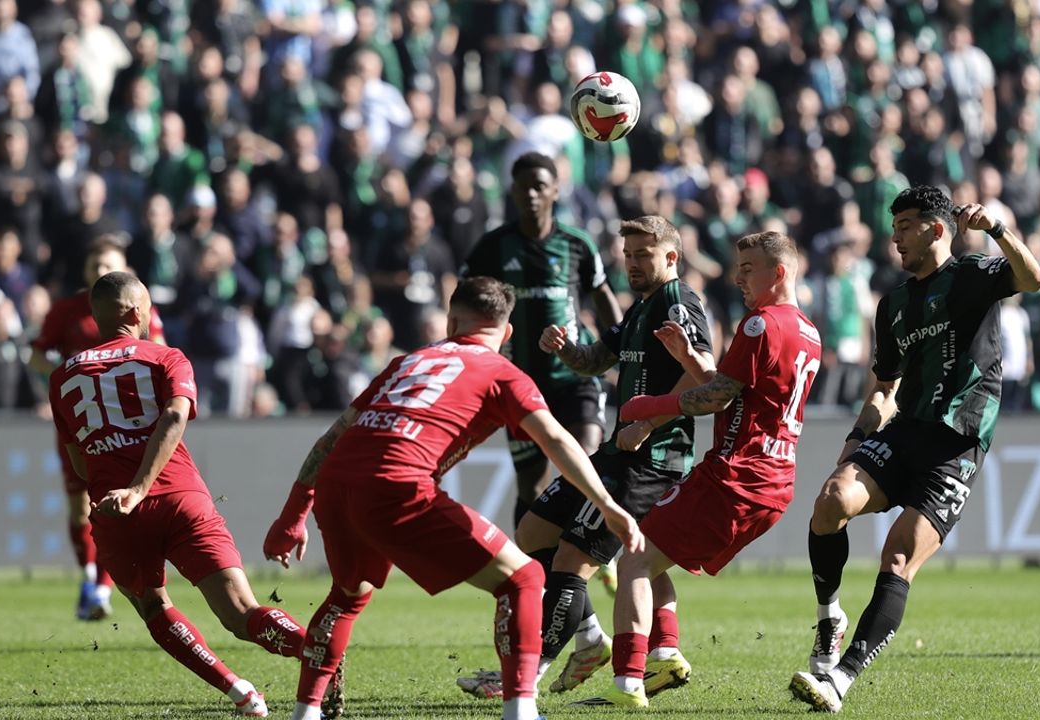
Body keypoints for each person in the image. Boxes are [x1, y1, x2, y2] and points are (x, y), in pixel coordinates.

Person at [261, 277, 644, 720]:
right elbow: (556, 440)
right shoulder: (503, 372)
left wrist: (292, 516)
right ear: (507, 332)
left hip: (336, 484)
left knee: (346, 597)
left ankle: (306, 713)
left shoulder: (407, 362)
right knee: (523, 579)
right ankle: (521, 711)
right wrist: (607, 506)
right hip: (397, 484)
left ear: (451, 322)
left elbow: (332, 439)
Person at [790, 186, 1040, 713]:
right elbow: (884, 388)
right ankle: (829, 618)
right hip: (905, 431)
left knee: (899, 556)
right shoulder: (893, 304)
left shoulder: (973, 273)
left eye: (905, 226)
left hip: (957, 442)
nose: (895, 237)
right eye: (894, 227)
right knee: (830, 503)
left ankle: (840, 680)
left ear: (937, 228)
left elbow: (1033, 279)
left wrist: (997, 230)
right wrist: (856, 439)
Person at [48, 272, 330, 718]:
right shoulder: (166, 357)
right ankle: (315, 653)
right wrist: (143, 485)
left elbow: (82, 465)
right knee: (242, 612)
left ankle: (240, 692)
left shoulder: (63, 376)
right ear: (137, 312)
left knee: (152, 605)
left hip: (116, 510)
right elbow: (175, 416)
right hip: (180, 497)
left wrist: (126, 483)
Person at [457, 216, 714, 700]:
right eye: (628, 254)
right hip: (618, 452)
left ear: (671, 257)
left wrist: (649, 423)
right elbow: (597, 360)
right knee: (533, 532)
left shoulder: (678, 302)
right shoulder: (641, 308)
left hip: (651, 460)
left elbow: (704, 375)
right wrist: (566, 349)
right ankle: (594, 638)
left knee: (573, 561)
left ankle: (526, 676)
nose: (632, 263)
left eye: (643, 254)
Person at [572, 230, 824, 708]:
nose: (738, 278)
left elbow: (716, 398)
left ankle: (627, 683)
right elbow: (739, 389)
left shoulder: (760, 324)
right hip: (776, 483)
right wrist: (688, 357)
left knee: (634, 558)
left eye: (748, 269)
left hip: (734, 476)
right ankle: (664, 653)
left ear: (779, 273)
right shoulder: (809, 332)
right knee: (648, 550)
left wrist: (651, 406)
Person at [461, 152, 623, 527]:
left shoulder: (576, 244)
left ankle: (582, 550)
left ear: (555, 191)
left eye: (539, 186)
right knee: (531, 486)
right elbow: (465, 301)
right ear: (513, 192)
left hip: (575, 376)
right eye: (524, 187)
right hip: (521, 384)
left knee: (586, 459)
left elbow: (602, 296)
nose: (531, 194)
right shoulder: (493, 247)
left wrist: (622, 348)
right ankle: (534, 560)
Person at [28, 237, 164, 620]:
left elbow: (159, 350)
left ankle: (103, 588)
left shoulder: (141, 308)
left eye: (109, 265)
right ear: (86, 271)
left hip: (123, 423)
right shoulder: (67, 310)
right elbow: (36, 355)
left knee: (111, 500)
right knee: (79, 509)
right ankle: (90, 576)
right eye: (95, 266)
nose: (101, 271)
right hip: (81, 420)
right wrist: (66, 378)